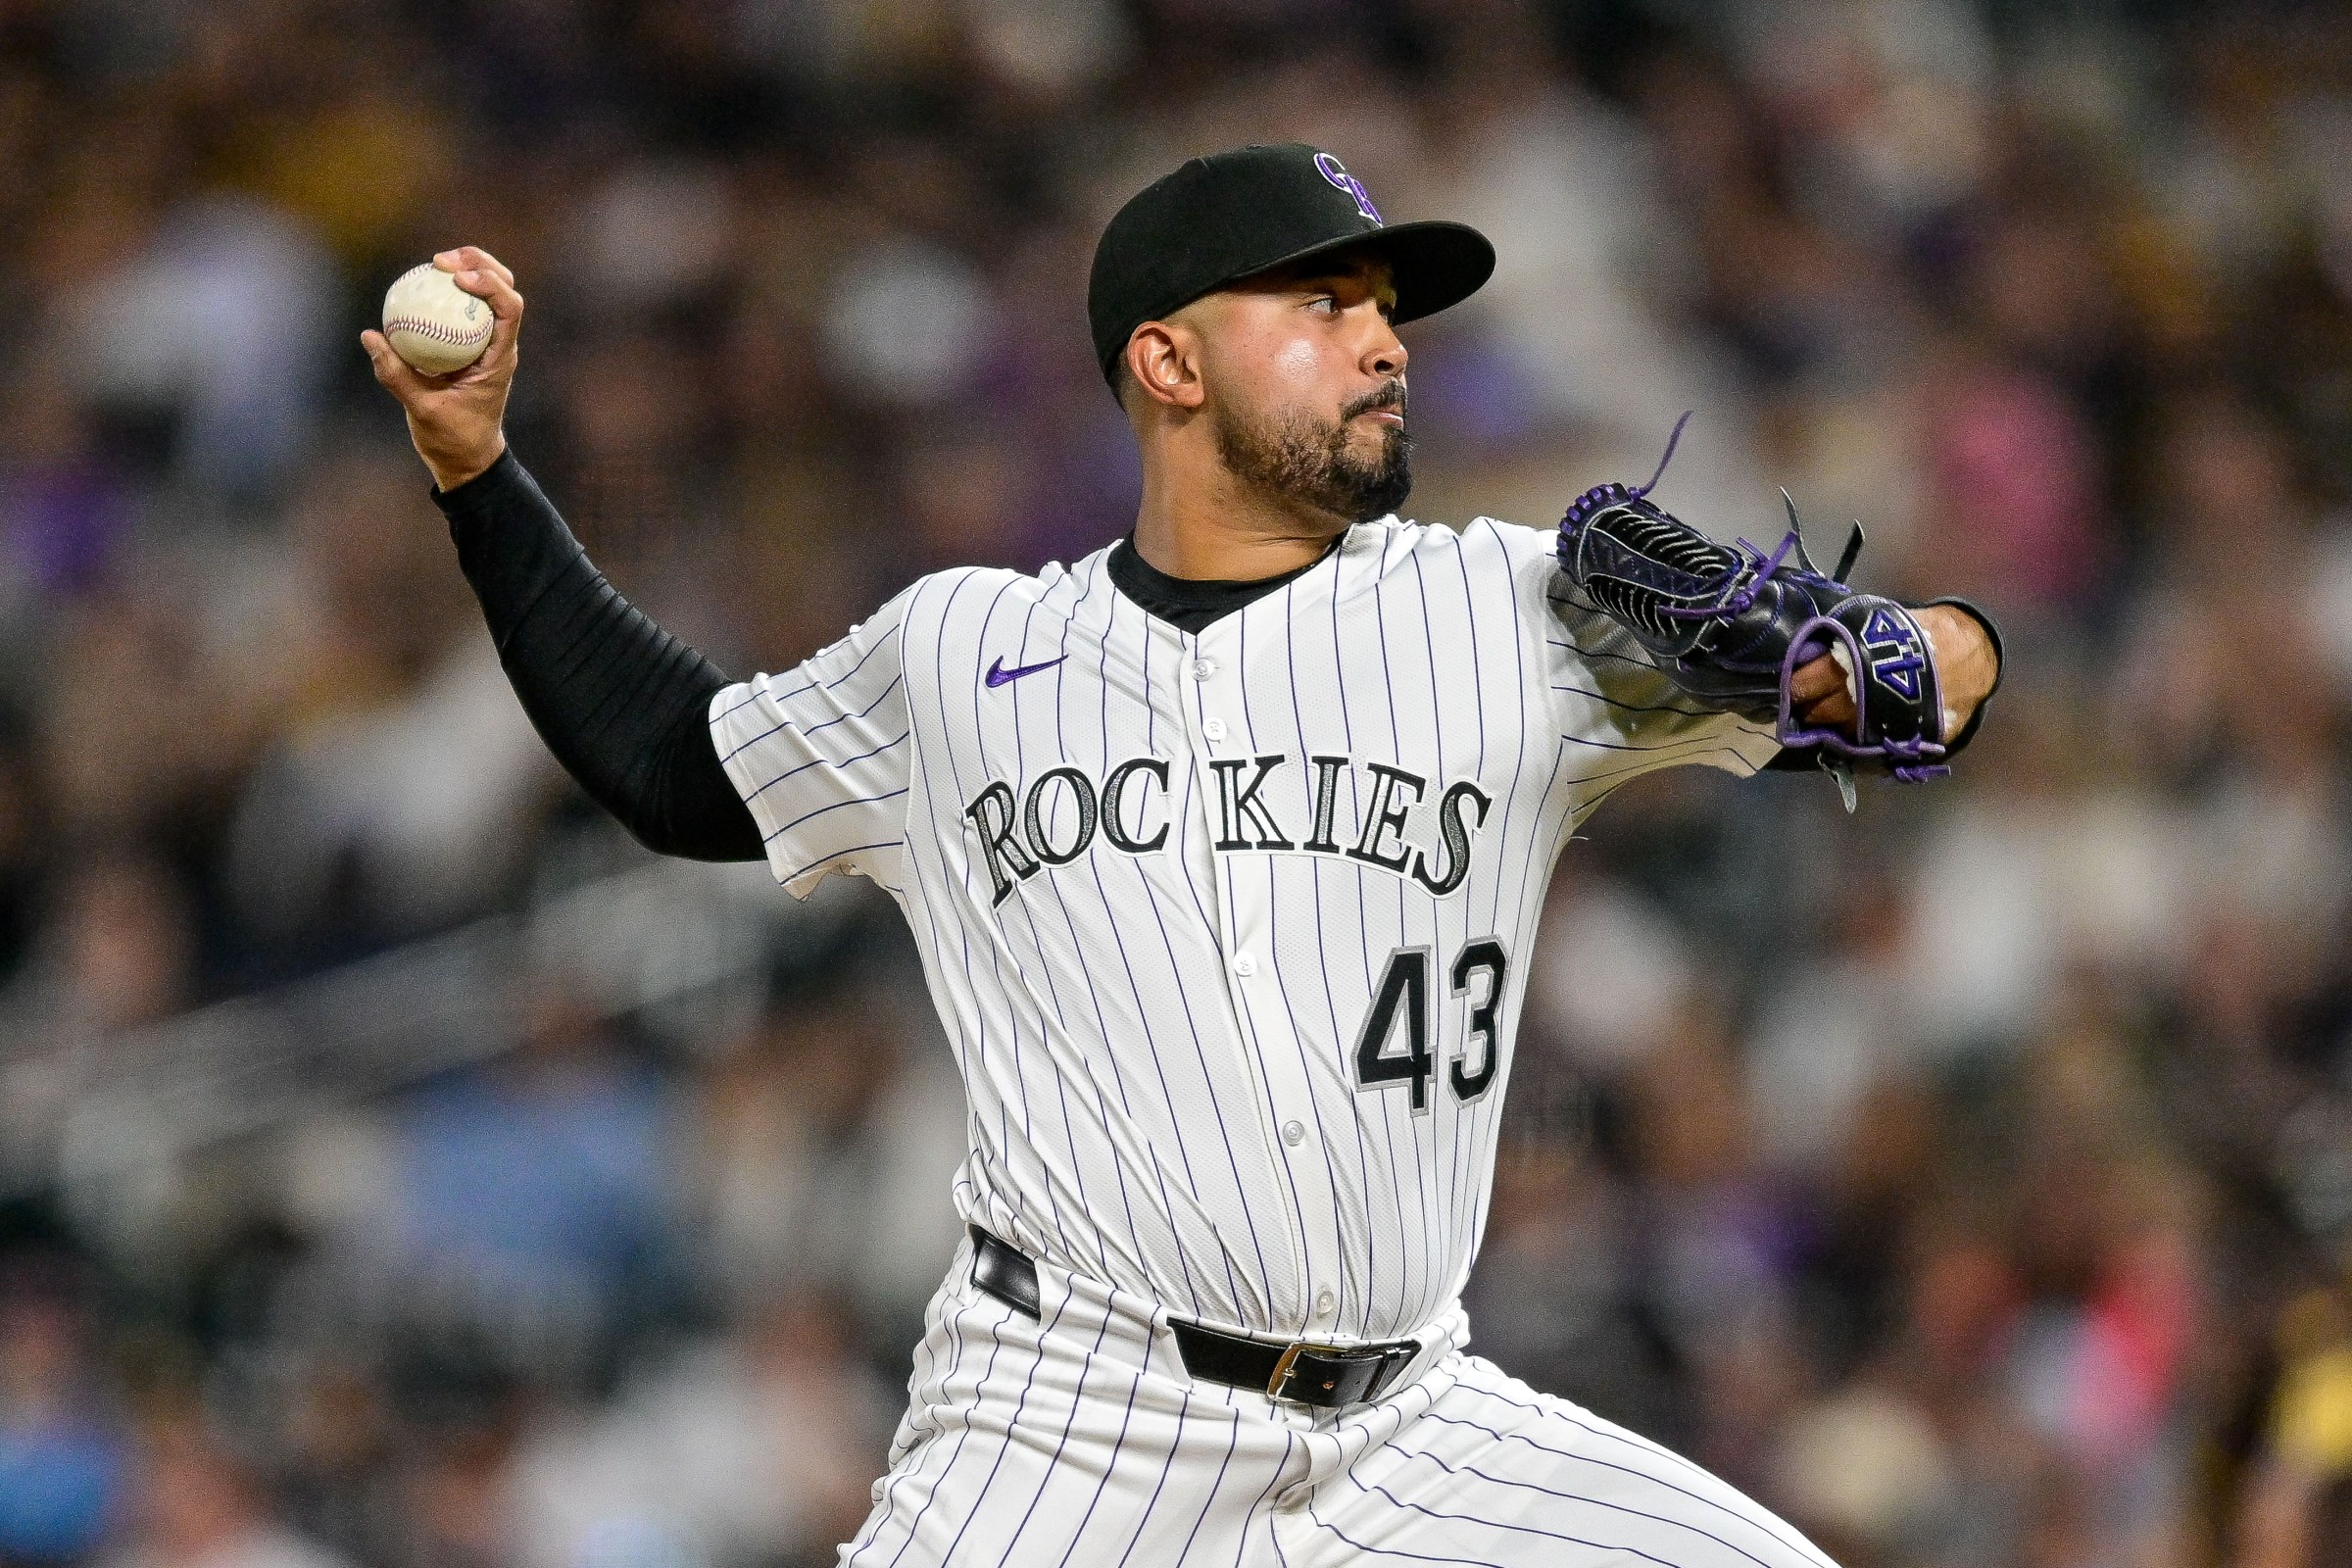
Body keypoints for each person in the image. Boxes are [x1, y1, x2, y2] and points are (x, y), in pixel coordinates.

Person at [364, 143, 1999, 1567]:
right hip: (1067, 1432)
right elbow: (673, 762)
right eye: (1324, 307)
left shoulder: (1513, 606)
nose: (1383, 346)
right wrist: (477, 473)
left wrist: (1881, 657)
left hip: (1416, 1435)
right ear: (1168, 362)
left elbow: (1940, 673)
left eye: (1387, 313)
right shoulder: (961, 654)